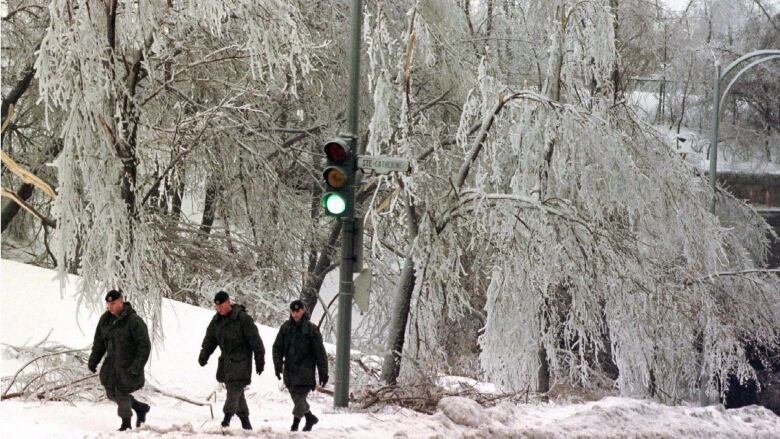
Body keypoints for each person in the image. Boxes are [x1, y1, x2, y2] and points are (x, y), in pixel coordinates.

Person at [198, 291, 265, 430]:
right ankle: (246, 423)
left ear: (228, 302)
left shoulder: (243, 319)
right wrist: (204, 354)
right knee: (236, 393)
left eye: (221, 305)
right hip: (226, 362)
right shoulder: (217, 321)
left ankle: (226, 420)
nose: (219, 309)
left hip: (241, 361)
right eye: (216, 306)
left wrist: (260, 359)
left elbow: (256, 341)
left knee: (234, 390)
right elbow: (210, 339)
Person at [87, 289, 152, 431]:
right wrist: (94, 360)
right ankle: (140, 408)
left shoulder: (134, 321)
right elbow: (98, 342)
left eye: (113, 303)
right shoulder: (105, 320)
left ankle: (126, 423)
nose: (110, 307)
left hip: (128, 365)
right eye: (108, 304)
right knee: (111, 392)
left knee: (121, 391)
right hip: (111, 365)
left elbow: (144, 346)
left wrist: (137, 366)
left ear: (121, 301)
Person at [272, 299, 328, 432]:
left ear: (303, 311)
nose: (296, 314)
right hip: (290, 371)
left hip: (305, 371)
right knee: (297, 398)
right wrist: (278, 365)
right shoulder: (286, 328)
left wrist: (323, 372)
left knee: (300, 398)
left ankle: (295, 425)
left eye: (298, 311)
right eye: (293, 311)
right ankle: (309, 417)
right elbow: (277, 348)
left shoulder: (311, 329)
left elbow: (320, 352)